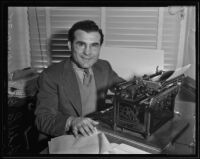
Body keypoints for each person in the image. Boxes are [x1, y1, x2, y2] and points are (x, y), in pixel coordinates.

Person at [35, 20, 124, 139]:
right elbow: (42, 119)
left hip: (95, 134)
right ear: (70, 45)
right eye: (81, 44)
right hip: (65, 138)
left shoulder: (103, 67)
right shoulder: (50, 75)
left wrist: (144, 86)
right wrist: (71, 122)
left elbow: (123, 86)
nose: (87, 52)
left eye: (94, 45)